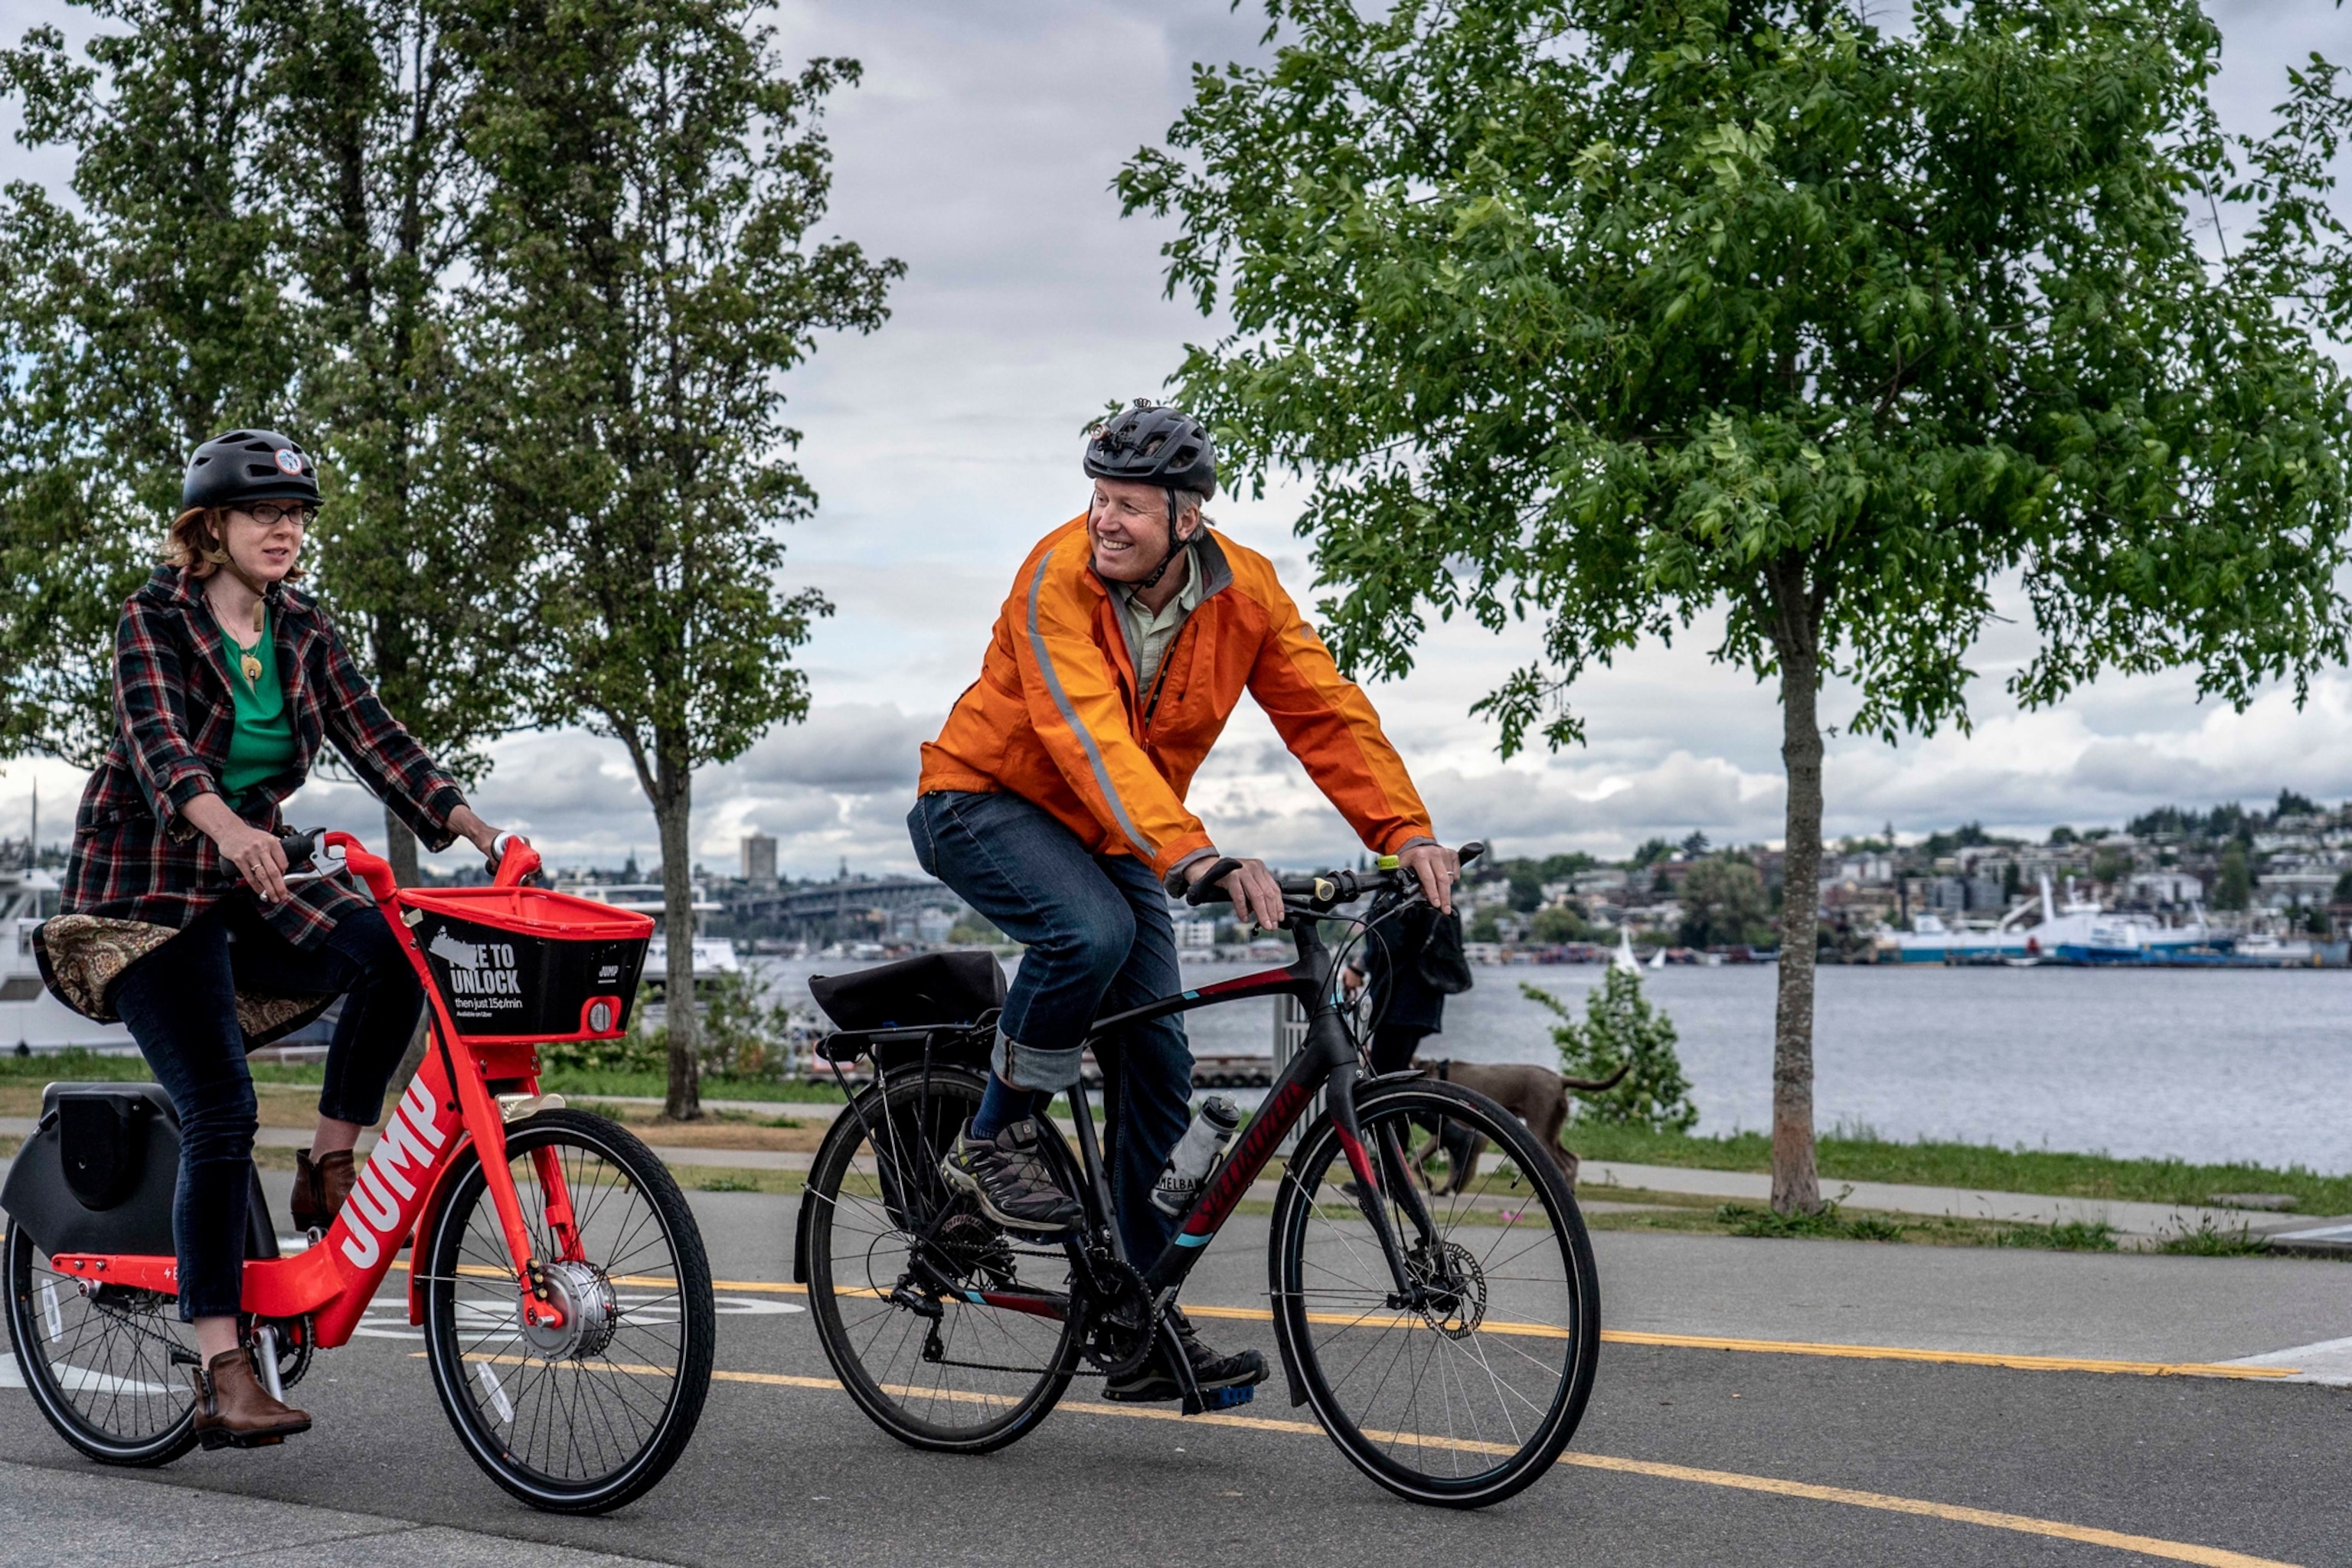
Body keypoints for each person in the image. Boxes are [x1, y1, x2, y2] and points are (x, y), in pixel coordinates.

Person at [910, 400, 1459, 1403]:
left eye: (1128, 506)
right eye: (1098, 499)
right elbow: (1085, 734)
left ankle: (1138, 1320)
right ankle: (994, 1132)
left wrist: (1403, 831)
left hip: (1113, 828)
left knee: (1159, 1063)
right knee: (1089, 928)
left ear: (1189, 518)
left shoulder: (1246, 592)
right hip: (983, 802)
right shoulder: (1054, 576)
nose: (1104, 520)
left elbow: (1324, 710)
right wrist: (1193, 856)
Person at [41, 430, 508, 1449]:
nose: (285, 529)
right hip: (148, 897)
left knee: (395, 947)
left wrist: (470, 824)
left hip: (252, 872)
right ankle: (222, 1367)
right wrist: (233, 828)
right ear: (212, 526)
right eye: (265, 513)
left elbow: (375, 734)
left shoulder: (303, 627)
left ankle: (331, 1162)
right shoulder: (151, 617)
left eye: (298, 514)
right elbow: (163, 754)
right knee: (220, 1112)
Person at [1346, 897, 1472, 1075]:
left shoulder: (1395, 893)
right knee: (1397, 1070)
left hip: (1398, 1000)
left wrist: (1357, 968)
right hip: (1426, 999)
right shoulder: (1434, 893)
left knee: (1384, 1075)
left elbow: (1385, 945)